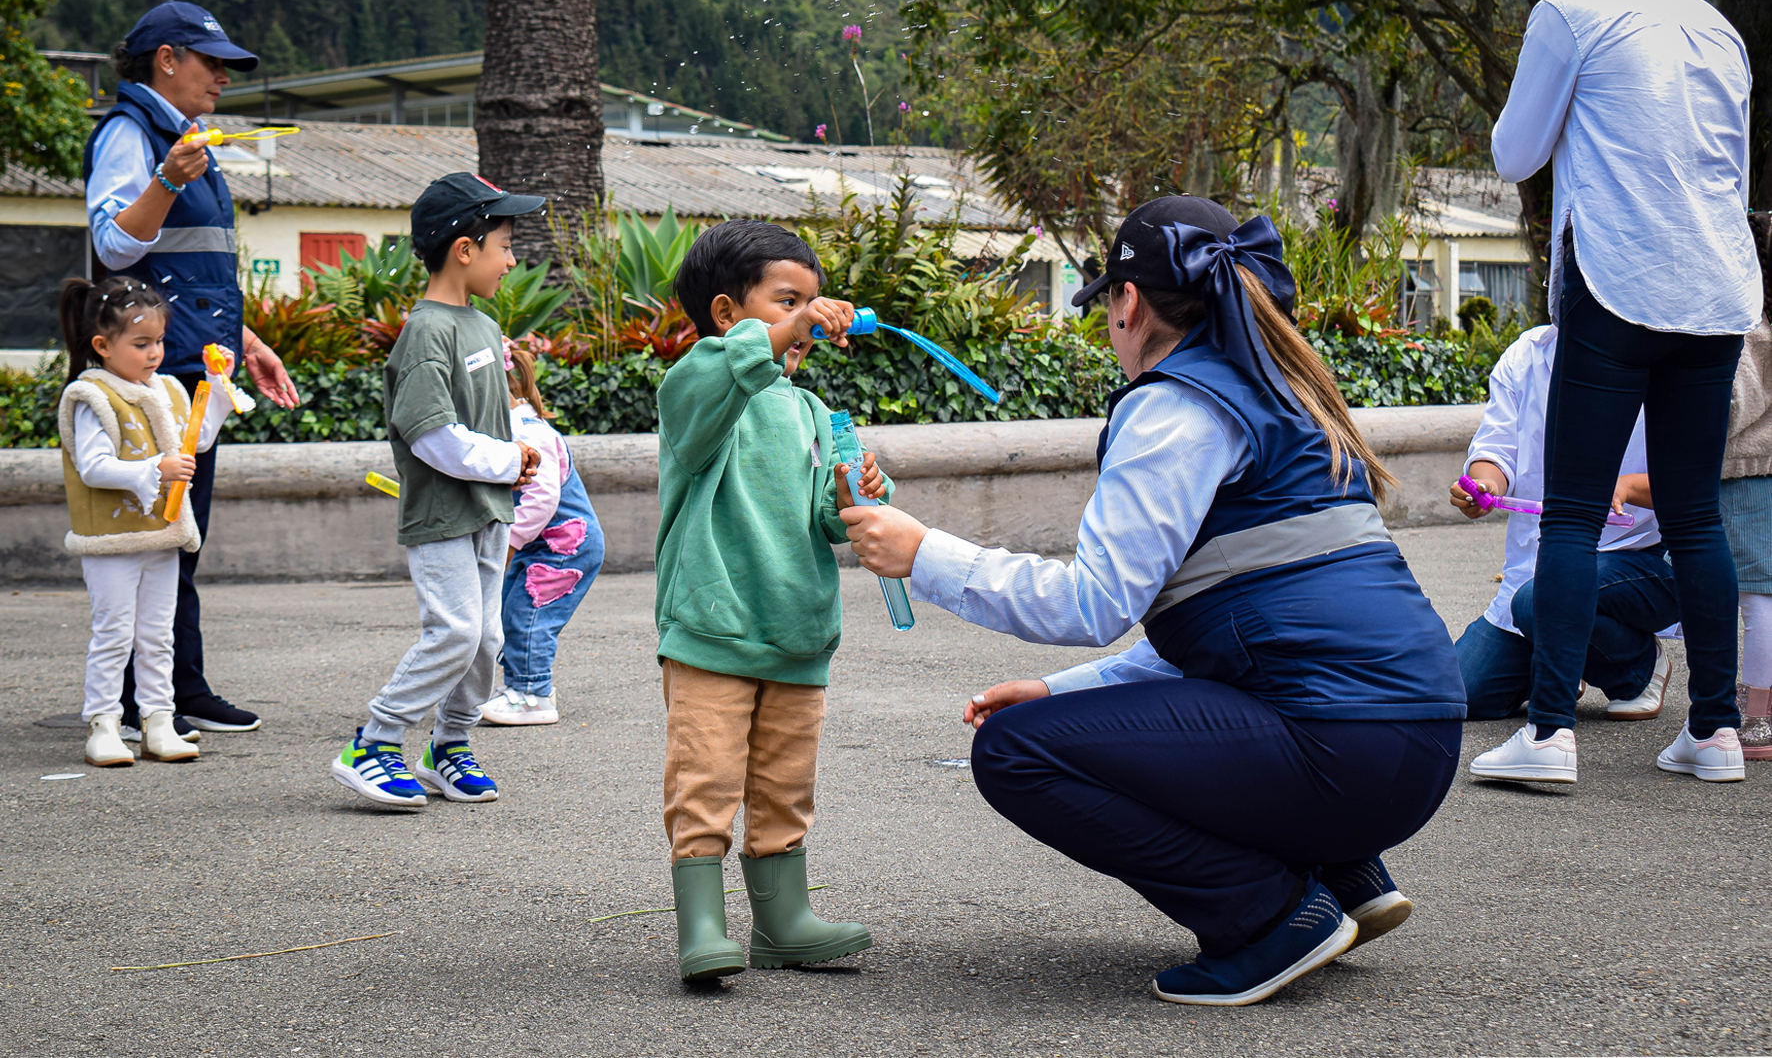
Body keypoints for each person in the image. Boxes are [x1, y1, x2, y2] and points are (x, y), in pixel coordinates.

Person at [842, 196, 1465, 1007]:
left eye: (1106, 303)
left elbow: (1093, 601)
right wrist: (1062, 693)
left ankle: (1270, 916)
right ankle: (1341, 874)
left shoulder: (1174, 407)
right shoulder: (1281, 393)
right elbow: (1227, 633)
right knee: (1055, 719)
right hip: (1414, 748)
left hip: (1343, 754)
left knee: (1015, 753)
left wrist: (923, 553)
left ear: (1128, 301)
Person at [1483, 0, 1759, 785]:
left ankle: (1550, 733)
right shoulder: (1716, 25)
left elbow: (1515, 154)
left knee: (1570, 511)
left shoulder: (1571, 8)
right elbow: (1731, 166)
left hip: (1619, 282)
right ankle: (1715, 731)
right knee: (1692, 517)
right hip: (1719, 290)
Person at [655, 219, 888, 981]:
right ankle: (702, 925)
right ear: (727, 314)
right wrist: (777, 333)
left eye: (815, 305)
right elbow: (711, 387)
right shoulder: (698, 388)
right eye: (789, 302)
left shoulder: (814, 413)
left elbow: (827, 516)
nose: (810, 321)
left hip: (797, 631)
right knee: (707, 779)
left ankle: (783, 920)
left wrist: (853, 495)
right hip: (713, 628)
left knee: (786, 786)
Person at [82, 0, 302, 741]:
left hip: (192, 366)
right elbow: (115, 247)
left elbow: (191, 267)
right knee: (158, 535)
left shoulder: (184, 139)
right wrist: (168, 180)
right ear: (166, 58)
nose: (223, 79)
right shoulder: (130, 134)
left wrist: (251, 342)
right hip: (150, 373)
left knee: (180, 531)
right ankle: (147, 699)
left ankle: (172, 689)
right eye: (213, 63)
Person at [329, 173, 543, 809]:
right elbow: (431, 436)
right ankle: (375, 741)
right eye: (504, 246)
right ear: (464, 249)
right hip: (443, 515)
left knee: (486, 640)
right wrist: (508, 459)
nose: (511, 261)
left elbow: (485, 414)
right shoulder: (427, 332)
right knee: (452, 632)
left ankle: (449, 746)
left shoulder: (478, 323)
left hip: (487, 510)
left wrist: (521, 449)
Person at [1451, 324, 1677, 731]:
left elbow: (1698, 483)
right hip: (1536, 570)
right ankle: (1564, 663)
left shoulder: (1665, 354)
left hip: (1638, 559)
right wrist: (1485, 485)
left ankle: (1639, 668)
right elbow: (1495, 450)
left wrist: (1627, 486)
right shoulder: (1526, 356)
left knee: (1541, 598)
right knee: (1462, 692)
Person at [56, 276, 238, 768]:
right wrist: (153, 469)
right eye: (141, 343)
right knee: (114, 633)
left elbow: (194, 442)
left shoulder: (168, 390)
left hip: (160, 533)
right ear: (102, 345)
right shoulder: (91, 395)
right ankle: (105, 724)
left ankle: (158, 719)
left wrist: (218, 393)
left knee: (158, 633)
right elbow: (93, 466)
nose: (155, 352)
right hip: (112, 540)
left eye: (158, 341)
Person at [476, 344, 605, 726]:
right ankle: (524, 685)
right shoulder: (515, 428)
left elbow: (541, 497)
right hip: (548, 545)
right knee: (512, 609)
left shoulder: (528, 432)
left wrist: (510, 543)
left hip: (565, 548)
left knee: (528, 615)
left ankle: (532, 695)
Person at [1723, 212, 1772, 758]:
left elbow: (1736, 405)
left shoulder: (1751, 329)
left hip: (1747, 473)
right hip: (1762, 472)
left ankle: (1758, 714)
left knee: (1758, 598)